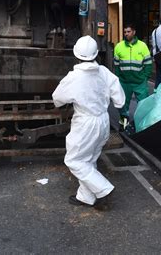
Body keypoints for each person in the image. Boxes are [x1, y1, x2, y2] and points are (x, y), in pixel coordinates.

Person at [52, 35, 125, 210]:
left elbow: (57, 99)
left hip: (85, 123)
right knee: (89, 159)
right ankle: (85, 197)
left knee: (74, 161)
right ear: (96, 54)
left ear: (76, 55)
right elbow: (120, 100)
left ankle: (104, 190)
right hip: (103, 120)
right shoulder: (105, 72)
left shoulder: (74, 77)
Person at [114, 23, 152, 128]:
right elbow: (116, 65)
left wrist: (145, 77)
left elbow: (148, 64)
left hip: (140, 82)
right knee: (123, 104)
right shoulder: (119, 46)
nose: (126, 34)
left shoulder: (142, 46)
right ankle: (123, 123)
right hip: (124, 82)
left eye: (128, 31)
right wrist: (119, 78)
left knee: (143, 103)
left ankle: (141, 123)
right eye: (125, 32)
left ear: (134, 32)